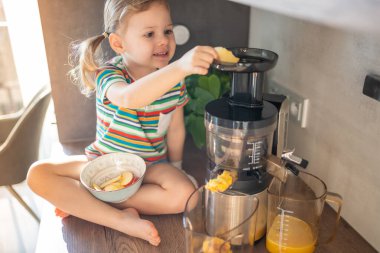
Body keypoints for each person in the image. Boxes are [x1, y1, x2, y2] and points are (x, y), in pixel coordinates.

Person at [27, 0, 218, 246]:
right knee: (37, 174)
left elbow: (176, 128)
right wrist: (181, 67)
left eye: (167, 31)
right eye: (150, 34)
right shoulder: (109, 74)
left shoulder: (174, 80)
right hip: (104, 163)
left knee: (188, 196)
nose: (163, 40)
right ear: (118, 44)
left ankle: (92, 200)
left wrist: (177, 166)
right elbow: (129, 97)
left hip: (150, 166)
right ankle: (119, 220)